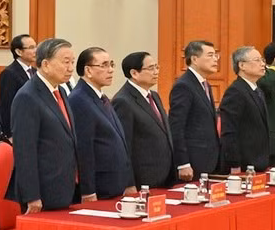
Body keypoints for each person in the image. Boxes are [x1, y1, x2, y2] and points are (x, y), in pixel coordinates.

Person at [9, 37, 80, 213]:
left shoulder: (60, 90)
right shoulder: (28, 96)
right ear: (46, 64)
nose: (71, 68)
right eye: (65, 62)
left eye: (72, 62)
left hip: (65, 186)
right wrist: (32, 196)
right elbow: (25, 150)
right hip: (44, 191)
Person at [68, 47, 132, 199]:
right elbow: (84, 149)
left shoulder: (100, 96)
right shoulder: (79, 100)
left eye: (111, 64)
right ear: (88, 70)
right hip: (99, 186)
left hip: (114, 183)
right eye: (104, 65)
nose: (110, 70)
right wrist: (88, 190)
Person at [113, 52, 176, 190]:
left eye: (157, 67)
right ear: (134, 73)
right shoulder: (123, 101)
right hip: (143, 178)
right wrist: (129, 183)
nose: (156, 72)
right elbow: (124, 147)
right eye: (151, 68)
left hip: (165, 176)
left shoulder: (154, 95)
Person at [168, 38, 221, 179]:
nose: (215, 59)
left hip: (209, 160)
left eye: (216, 55)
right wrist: (183, 163)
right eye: (210, 55)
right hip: (193, 160)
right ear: (195, 59)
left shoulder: (205, 84)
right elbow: (176, 126)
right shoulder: (184, 86)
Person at [219, 45, 271, 172]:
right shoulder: (235, 91)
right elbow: (229, 130)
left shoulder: (257, 90)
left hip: (260, 161)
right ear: (241, 65)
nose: (262, 64)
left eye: (262, 60)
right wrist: (234, 163)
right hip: (244, 164)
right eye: (257, 60)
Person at [0, 33, 37, 133]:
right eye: (31, 48)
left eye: (35, 47)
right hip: (18, 129)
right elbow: (6, 107)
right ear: (19, 51)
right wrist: (9, 134)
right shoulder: (9, 73)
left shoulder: (36, 72)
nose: (35, 51)